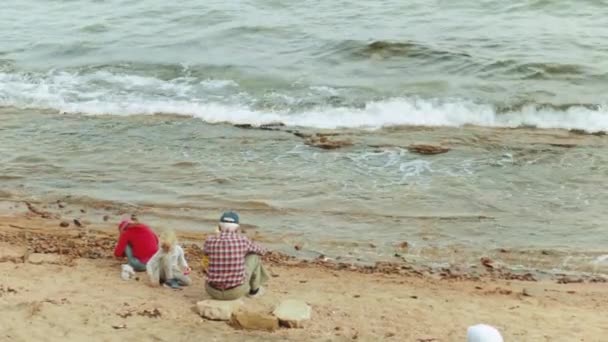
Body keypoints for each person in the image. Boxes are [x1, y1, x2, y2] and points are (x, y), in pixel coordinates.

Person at [203, 211, 269, 300]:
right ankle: (254, 291)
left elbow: (206, 253)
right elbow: (262, 251)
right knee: (254, 256)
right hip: (235, 293)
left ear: (219, 227)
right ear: (237, 228)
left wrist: (217, 236)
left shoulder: (209, 240)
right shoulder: (242, 240)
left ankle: (254, 288)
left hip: (212, 291)